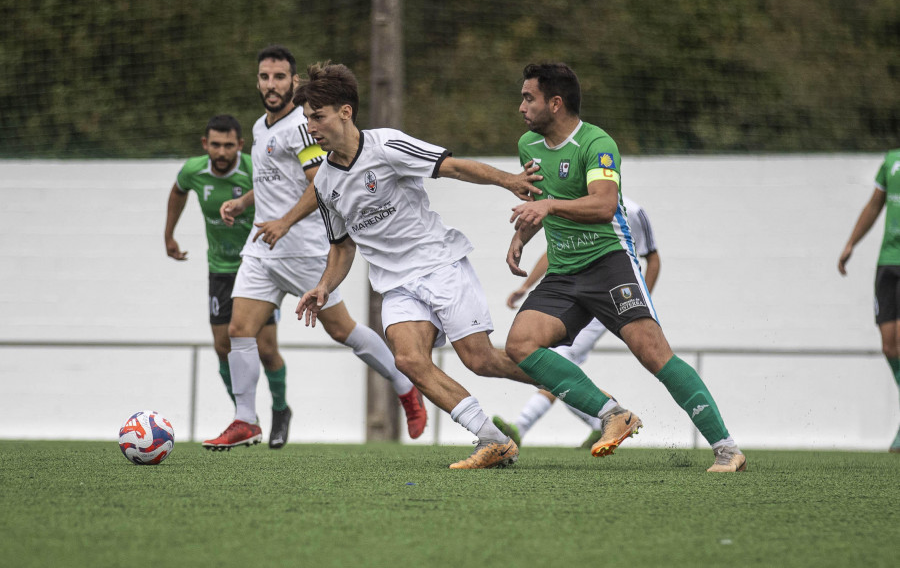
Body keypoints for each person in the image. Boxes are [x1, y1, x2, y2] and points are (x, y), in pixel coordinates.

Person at [293, 61, 545, 469]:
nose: (311, 127)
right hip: (396, 284)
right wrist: (324, 286)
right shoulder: (323, 183)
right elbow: (342, 248)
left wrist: (509, 180)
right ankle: (493, 439)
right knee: (408, 360)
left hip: (438, 264)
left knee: (480, 360)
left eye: (317, 117)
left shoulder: (386, 146)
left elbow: (454, 167)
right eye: (307, 119)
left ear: (345, 112)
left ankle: (577, 390)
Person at [504, 62, 746, 472]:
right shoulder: (529, 145)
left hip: (609, 266)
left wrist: (547, 205)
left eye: (529, 97)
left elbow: (603, 205)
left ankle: (727, 449)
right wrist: (521, 236)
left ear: (556, 103)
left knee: (655, 355)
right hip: (563, 273)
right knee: (520, 344)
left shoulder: (597, 143)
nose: (521, 106)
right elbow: (539, 202)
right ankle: (612, 413)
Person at [202, 45, 427, 451]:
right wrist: (244, 202)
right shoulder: (259, 127)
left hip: (304, 250)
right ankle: (245, 419)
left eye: (280, 78)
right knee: (238, 331)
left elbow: (317, 182)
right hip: (262, 248)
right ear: (258, 81)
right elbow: (273, 179)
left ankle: (404, 383)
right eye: (265, 77)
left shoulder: (303, 128)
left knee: (343, 330)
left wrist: (285, 222)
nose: (272, 85)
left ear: (294, 82)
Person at [493, 196, 659, 448]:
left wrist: (637, 303)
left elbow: (653, 258)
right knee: (554, 362)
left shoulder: (633, 211)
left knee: (560, 361)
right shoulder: (575, 202)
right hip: (574, 297)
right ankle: (601, 422)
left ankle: (521, 427)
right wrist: (526, 287)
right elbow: (556, 251)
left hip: (608, 298)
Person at [164, 114, 286, 421]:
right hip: (219, 268)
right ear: (205, 144)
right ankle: (244, 415)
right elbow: (178, 190)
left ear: (240, 145)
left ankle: (281, 409)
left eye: (228, 145)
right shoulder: (193, 170)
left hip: (256, 267)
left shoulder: (253, 168)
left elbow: (279, 190)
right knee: (222, 347)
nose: (221, 152)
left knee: (267, 349)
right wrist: (169, 235)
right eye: (215, 145)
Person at [838, 148, 900, 453]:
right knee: (890, 346)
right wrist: (851, 243)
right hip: (888, 263)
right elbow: (874, 206)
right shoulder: (891, 162)